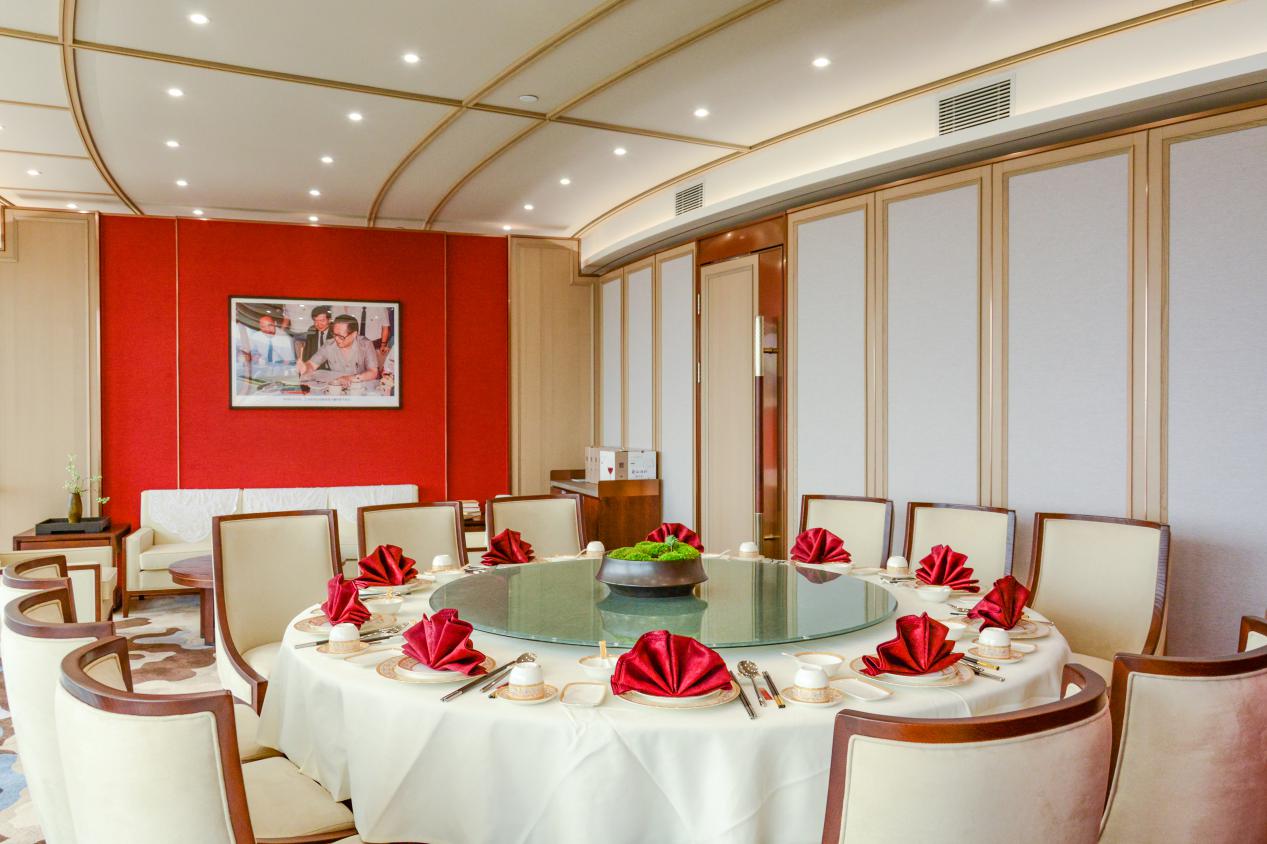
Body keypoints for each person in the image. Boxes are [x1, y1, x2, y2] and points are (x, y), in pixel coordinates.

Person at [295, 314, 379, 388]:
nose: (336, 339)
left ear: (354, 334)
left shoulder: (365, 345)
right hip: (336, 387)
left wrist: (349, 378)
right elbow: (312, 365)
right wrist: (305, 368)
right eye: (335, 334)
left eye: (341, 337)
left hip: (359, 387)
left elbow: (373, 372)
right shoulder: (329, 345)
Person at [301, 305, 334, 369]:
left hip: (331, 368)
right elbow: (307, 353)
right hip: (314, 368)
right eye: (316, 321)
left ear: (329, 320)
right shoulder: (312, 330)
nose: (318, 325)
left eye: (322, 321)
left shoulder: (335, 332)